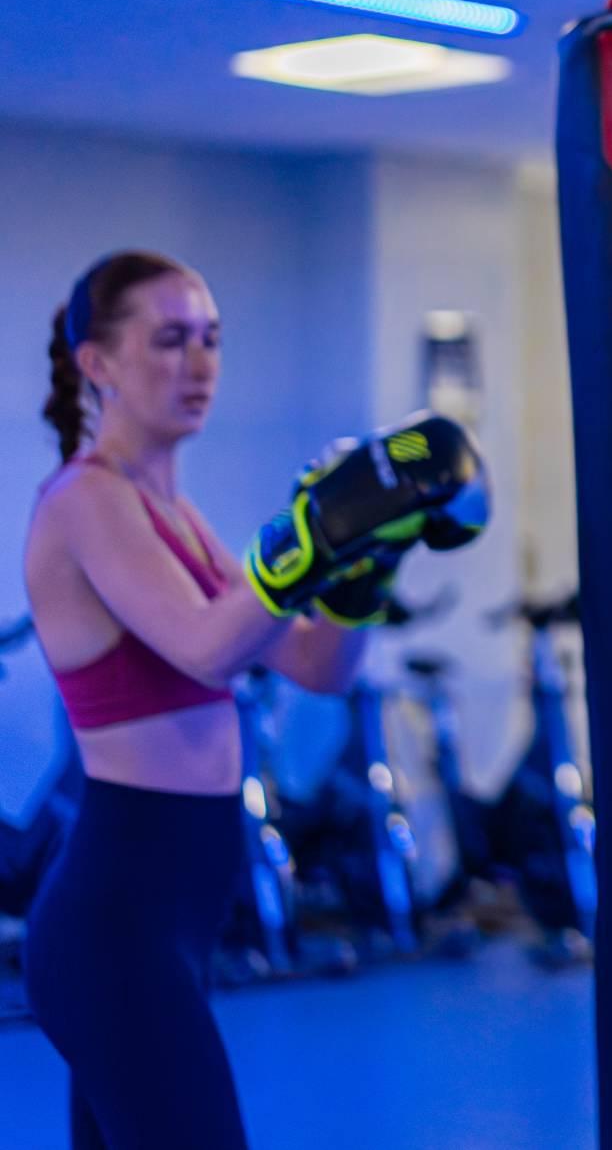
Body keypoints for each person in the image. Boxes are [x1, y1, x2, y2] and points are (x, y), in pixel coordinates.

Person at [21, 250, 488, 1150]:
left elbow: (318, 664)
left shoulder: (181, 517)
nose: (198, 365)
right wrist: (313, 534)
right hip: (115, 922)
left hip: (168, 916)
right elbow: (205, 649)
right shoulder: (87, 501)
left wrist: (367, 560)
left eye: (210, 340)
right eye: (168, 341)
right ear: (98, 364)